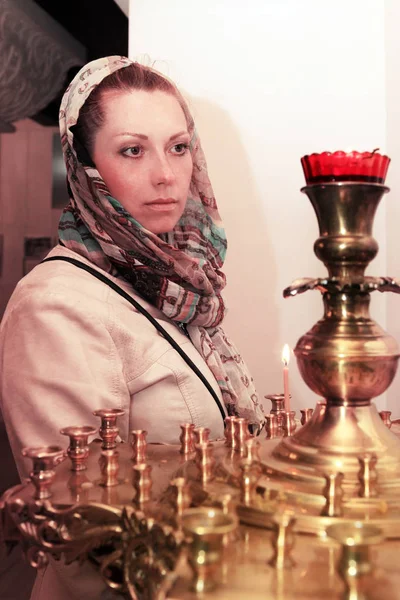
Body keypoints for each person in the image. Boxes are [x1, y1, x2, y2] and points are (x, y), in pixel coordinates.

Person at [0, 56, 265, 599]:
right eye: (131, 150)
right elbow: (82, 536)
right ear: (85, 166)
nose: (166, 174)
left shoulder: (182, 284)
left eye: (178, 146)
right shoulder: (54, 305)